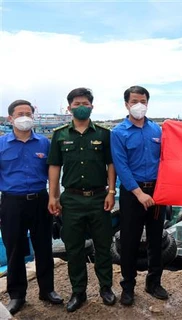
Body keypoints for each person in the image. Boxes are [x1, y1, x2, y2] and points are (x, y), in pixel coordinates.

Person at [47, 88, 116, 312]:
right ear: (69, 108)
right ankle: (79, 292)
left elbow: (111, 165)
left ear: (92, 106)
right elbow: (55, 167)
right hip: (72, 200)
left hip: (99, 198)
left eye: (85, 103)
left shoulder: (104, 134)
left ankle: (106, 288)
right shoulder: (60, 134)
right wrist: (53, 196)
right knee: (74, 248)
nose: (80, 106)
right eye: (76, 104)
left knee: (103, 246)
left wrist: (111, 191)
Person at [0, 100, 63, 315]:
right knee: (14, 249)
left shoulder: (44, 144)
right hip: (11, 202)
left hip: (40, 200)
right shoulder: (1, 144)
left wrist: (55, 197)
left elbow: (53, 174)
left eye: (28, 113)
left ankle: (47, 290)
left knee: (44, 246)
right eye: (20, 113)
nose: (25, 117)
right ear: (10, 118)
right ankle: (17, 295)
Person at [110, 85, 167, 306]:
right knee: (130, 241)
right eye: (134, 101)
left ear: (148, 103)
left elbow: (166, 160)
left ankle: (154, 283)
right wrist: (139, 193)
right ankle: (128, 286)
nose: (138, 105)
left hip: (157, 192)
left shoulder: (157, 130)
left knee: (155, 238)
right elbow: (121, 166)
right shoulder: (118, 133)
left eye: (142, 101)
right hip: (132, 193)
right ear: (126, 104)